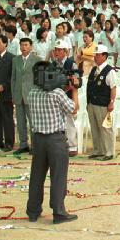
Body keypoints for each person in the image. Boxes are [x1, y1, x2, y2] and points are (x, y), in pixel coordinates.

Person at [25, 63, 77, 224]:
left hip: (38, 139)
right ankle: (58, 212)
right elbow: (74, 109)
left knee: (37, 176)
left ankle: (33, 211)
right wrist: (74, 89)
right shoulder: (58, 94)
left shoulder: (32, 93)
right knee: (58, 176)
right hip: (55, 140)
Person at [85, 45, 119, 161]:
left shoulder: (110, 71)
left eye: (98, 55)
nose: (95, 57)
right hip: (92, 103)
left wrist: (111, 102)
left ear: (104, 56)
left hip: (103, 104)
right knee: (94, 128)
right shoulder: (94, 69)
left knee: (105, 128)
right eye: (95, 55)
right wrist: (88, 102)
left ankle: (109, 152)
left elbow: (113, 88)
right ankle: (98, 150)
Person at [10, 38, 40, 154]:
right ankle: (23, 144)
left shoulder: (37, 60)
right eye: (22, 45)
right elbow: (13, 78)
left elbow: (38, 80)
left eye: (26, 45)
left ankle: (35, 146)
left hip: (31, 95)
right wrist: (13, 94)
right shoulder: (15, 60)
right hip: (18, 95)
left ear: (31, 47)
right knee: (20, 122)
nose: (23, 47)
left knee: (33, 122)